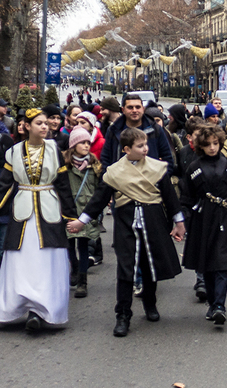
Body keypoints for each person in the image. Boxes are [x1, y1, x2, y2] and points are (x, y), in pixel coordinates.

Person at [71, 127, 185, 337]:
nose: (145, 149)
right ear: (126, 149)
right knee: (125, 269)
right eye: (140, 146)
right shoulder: (114, 172)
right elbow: (100, 198)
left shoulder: (157, 168)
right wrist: (82, 221)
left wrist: (178, 222)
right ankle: (122, 315)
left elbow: (169, 197)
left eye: (145, 144)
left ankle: (150, 304)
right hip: (125, 223)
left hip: (153, 221)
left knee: (150, 265)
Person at [180, 125, 227, 326]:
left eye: (215, 143)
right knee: (206, 263)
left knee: (221, 263)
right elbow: (186, 196)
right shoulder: (194, 167)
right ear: (200, 146)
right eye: (207, 144)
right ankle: (211, 302)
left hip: (225, 217)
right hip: (202, 218)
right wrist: (184, 219)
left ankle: (219, 305)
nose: (212, 148)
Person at [63, 126, 101, 300]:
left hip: (86, 212)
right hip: (69, 211)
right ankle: (75, 268)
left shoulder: (95, 166)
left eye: (88, 142)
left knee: (84, 246)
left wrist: (98, 210)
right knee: (69, 245)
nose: (86, 146)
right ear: (73, 145)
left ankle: (82, 282)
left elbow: (99, 189)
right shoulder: (65, 166)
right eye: (82, 143)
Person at [99, 93, 175, 171]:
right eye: (130, 107)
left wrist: (158, 180)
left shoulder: (155, 129)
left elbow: (167, 158)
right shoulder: (113, 130)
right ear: (123, 110)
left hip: (149, 181)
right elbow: (106, 158)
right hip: (120, 180)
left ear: (143, 109)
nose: (134, 110)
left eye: (138, 107)